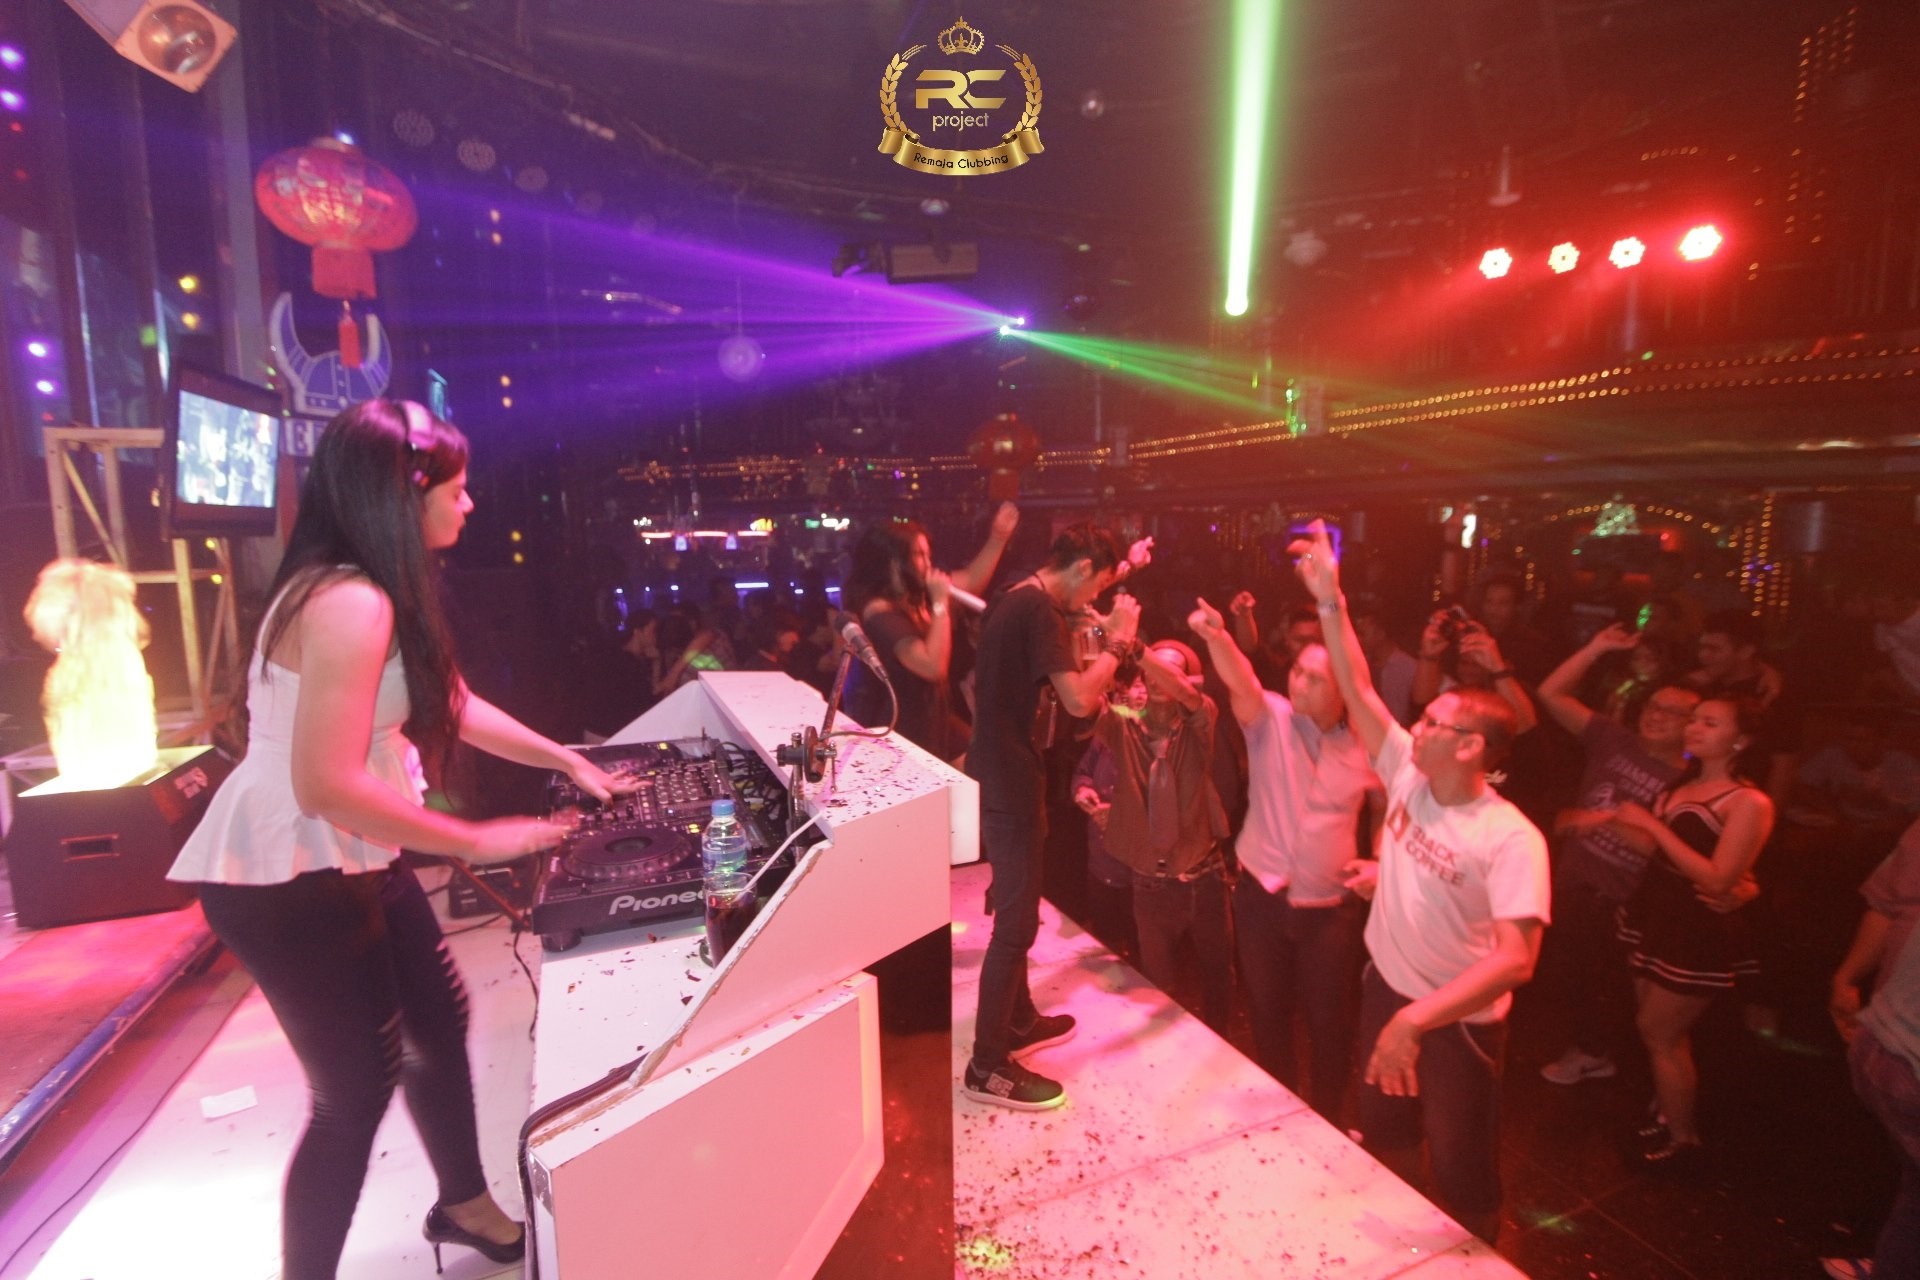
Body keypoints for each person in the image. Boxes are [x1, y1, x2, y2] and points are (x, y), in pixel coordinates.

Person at [166, 400, 628, 1280]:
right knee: (353, 1095)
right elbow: (324, 785)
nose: (470, 503)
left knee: (438, 1019)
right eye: (457, 488)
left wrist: (566, 758)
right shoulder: (348, 602)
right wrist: (476, 840)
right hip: (287, 870)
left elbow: (447, 702)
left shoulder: (368, 586)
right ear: (401, 497)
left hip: (346, 852)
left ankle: (463, 1204)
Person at [1289, 520, 1549, 1244]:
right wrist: (1332, 599)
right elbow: (1356, 685)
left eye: (1434, 722)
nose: (1418, 726)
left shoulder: (1511, 837)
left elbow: (1516, 960)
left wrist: (1416, 1021)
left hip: (1457, 1023)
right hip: (1386, 990)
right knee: (1387, 1129)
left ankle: (1476, 1256)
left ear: (1471, 747)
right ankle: (1403, 1245)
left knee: (1462, 1162)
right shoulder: (1408, 771)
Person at [963, 522, 1151, 1111]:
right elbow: (1079, 699)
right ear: (1083, 568)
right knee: (1015, 926)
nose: (1093, 600)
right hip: (1011, 779)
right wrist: (1118, 642)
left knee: (1017, 906)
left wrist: (1121, 575)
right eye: (1096, 584)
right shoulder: (1039, 609)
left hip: (1001, 771)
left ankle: (1017, 1021)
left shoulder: (1018, 594)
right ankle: (987, 1066)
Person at [1189, 595, 1382, 1122]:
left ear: (1344, 690)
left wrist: (1380, 858)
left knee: (1329, 1023)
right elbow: (1242, 681)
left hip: (1329, 907)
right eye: (1297, 671)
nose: (1299, 683)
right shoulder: (1271, 717)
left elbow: (1391, 803)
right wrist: (1217, 636)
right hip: (1261, 897)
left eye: (1315, 679)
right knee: (1268, 1013)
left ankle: (1329, 1118)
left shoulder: (1366, 742)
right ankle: (1282, 1112)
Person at [1578, 696, 1776, 1166]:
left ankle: (1685, 1141)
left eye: (1711, 722)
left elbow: (1718, 879)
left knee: (1659, 1033)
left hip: (1695, 929)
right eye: (1695, 720)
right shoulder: (1683, 785)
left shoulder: (1748, 801)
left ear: (1741, 740)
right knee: (1657, 1033)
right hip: (1656, 917)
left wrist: (1652, 825)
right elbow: (1661, 854)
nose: (1695, 728)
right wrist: (1602, 820)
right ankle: (1667, 1114)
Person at [1531, 624, 1701, 1087]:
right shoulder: (1614, 737)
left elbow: (1668, 853)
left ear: (1693, 726)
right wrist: (1596, 648)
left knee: (1601, 984)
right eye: (1654, 706)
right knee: (1569, 973)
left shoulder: (1689, 781)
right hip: (1574, 879)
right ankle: (1595, 1050)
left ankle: (1598, 1055)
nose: (1657, 716)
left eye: (1673, 712)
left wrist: (1601, 820)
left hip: (1624, 901)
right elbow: (1550, 693)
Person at [1081, 638, 1233, 1032]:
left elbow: (1190, 698)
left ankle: (1222, 1046)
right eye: (1152, 670)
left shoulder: (1200, 719)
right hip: (1149, 882)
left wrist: (1140, 652)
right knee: (1158, 986)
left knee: (1217, 975)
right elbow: (1084, 703)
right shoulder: (1124, 722)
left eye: (1172, 669)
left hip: (1204, 878)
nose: (1159, 677)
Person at [843, 504, 1020, 761]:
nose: (928, 564)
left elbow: (971, 581)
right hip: (903, 730)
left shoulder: (915, 592)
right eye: (919, 555)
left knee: (982, 761)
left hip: (933, 717)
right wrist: (939, 604)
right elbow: (932, 666)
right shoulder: (879, 613)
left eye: (928, 554)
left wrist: (998, 537)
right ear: (894, 561)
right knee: (973, 767)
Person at [1825, 817, 1920, 1280]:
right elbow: (1886, 904)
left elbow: (1887, 904)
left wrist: (1847, 978)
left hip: (1886, 1041)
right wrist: (1847, 978)